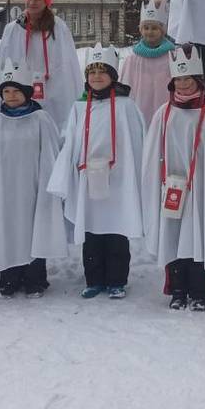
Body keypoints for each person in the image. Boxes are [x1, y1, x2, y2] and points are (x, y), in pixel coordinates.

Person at [141, 46, 205, 311]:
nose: (183, 84)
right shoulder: (163, 114)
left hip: (201, 190)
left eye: (188, 79)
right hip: (171, 188)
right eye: (178, 80)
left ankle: (199, 291)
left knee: (199, 236)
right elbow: (152, 155)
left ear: (198, 80)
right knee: (174, 238)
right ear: (172, 81)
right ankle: (177, 289)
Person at [49, 44, 146, 300]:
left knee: (116, 229)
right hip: (88, 179)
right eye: (92, 72)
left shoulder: (127, 107)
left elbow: (137, 142)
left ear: (113, 76)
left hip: (118, 179)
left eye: (103, 72)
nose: (97, 77)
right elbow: (70, 140)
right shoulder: (79, 108)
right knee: (91, 231)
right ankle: (94, 279)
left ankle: (116, 280)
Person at [0, 59, 63, 299]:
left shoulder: (41, 120)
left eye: (16, 91)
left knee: (34, 230)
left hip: (32, 187)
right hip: (3, 189)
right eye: (6, 91)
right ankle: (9, 278)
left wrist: (49, 185)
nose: (11, 96)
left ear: (26, 93)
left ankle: (35, 278)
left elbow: (50, 154)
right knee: (6, 230)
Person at [0, 0, 81, 127]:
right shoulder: (13, 29)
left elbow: (68, 61)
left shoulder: (58, 28)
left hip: (53, 87)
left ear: (46, 1)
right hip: (21, 89)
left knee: (54, 125)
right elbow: (4, 60)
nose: (32, 2)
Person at [119, 0, 176, 126]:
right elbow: (125, 88)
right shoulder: (132, 60)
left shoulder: (172, 57)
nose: (149, 32)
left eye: (155, 28)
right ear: (141, 29)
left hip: (167, 114)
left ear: (162, 30)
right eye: (146, 27)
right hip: (139, 114)